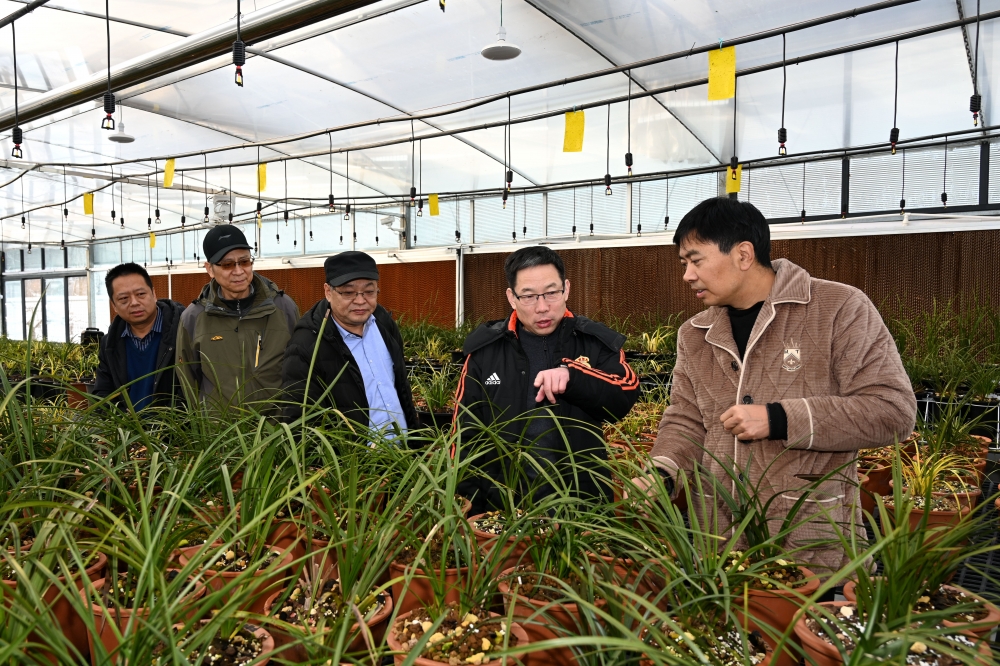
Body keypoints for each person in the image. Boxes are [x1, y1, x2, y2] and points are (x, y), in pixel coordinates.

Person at [634, 196, 916, 577]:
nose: (687, 275)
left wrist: (779, 418)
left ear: (744, 255)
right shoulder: (694, 334)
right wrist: (663, 471)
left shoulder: (838, 308)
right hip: (718, 544)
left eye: (695, 260)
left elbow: (892, 411)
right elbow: (686, 420)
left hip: (812, 542)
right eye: (684, 264)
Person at [452, 245, 640, 514]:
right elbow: (465, 433)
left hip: (581, 504)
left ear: (566, 289)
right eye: (528, 296)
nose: (542, 307)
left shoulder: (594, 342)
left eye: (551, 293)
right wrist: (470, 504)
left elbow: (626, 391)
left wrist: (573, 376)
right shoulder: (485, 352)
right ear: (511, 297)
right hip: (505, 506)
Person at [280, 251, 418, 432]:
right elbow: (298, 420)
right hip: (353, 458)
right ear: (328, 292)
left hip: (402, 452)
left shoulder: (383, 322)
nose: (360, 301)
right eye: (348, 292)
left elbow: (400, 386)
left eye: (369, 291)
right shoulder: (307, 344)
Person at [177, 225, 299, 408]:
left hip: (276, 430)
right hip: (220, 433)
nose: (238, 271)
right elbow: (188, 379)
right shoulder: (194, 318)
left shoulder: (282, 308)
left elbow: (299, 369)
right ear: (209, 269)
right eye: (227, 264)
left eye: (244, 261)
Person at [92, 263, 185, 409]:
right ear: (114, 306)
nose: (134, 303)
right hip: (127, 428)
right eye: (123, 299)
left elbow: (195, 388)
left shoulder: (184, 330)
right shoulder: (109, 343)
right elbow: (102, 393)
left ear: (153, 294)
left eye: (140, 294)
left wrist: (161, 426)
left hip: (177, 428)